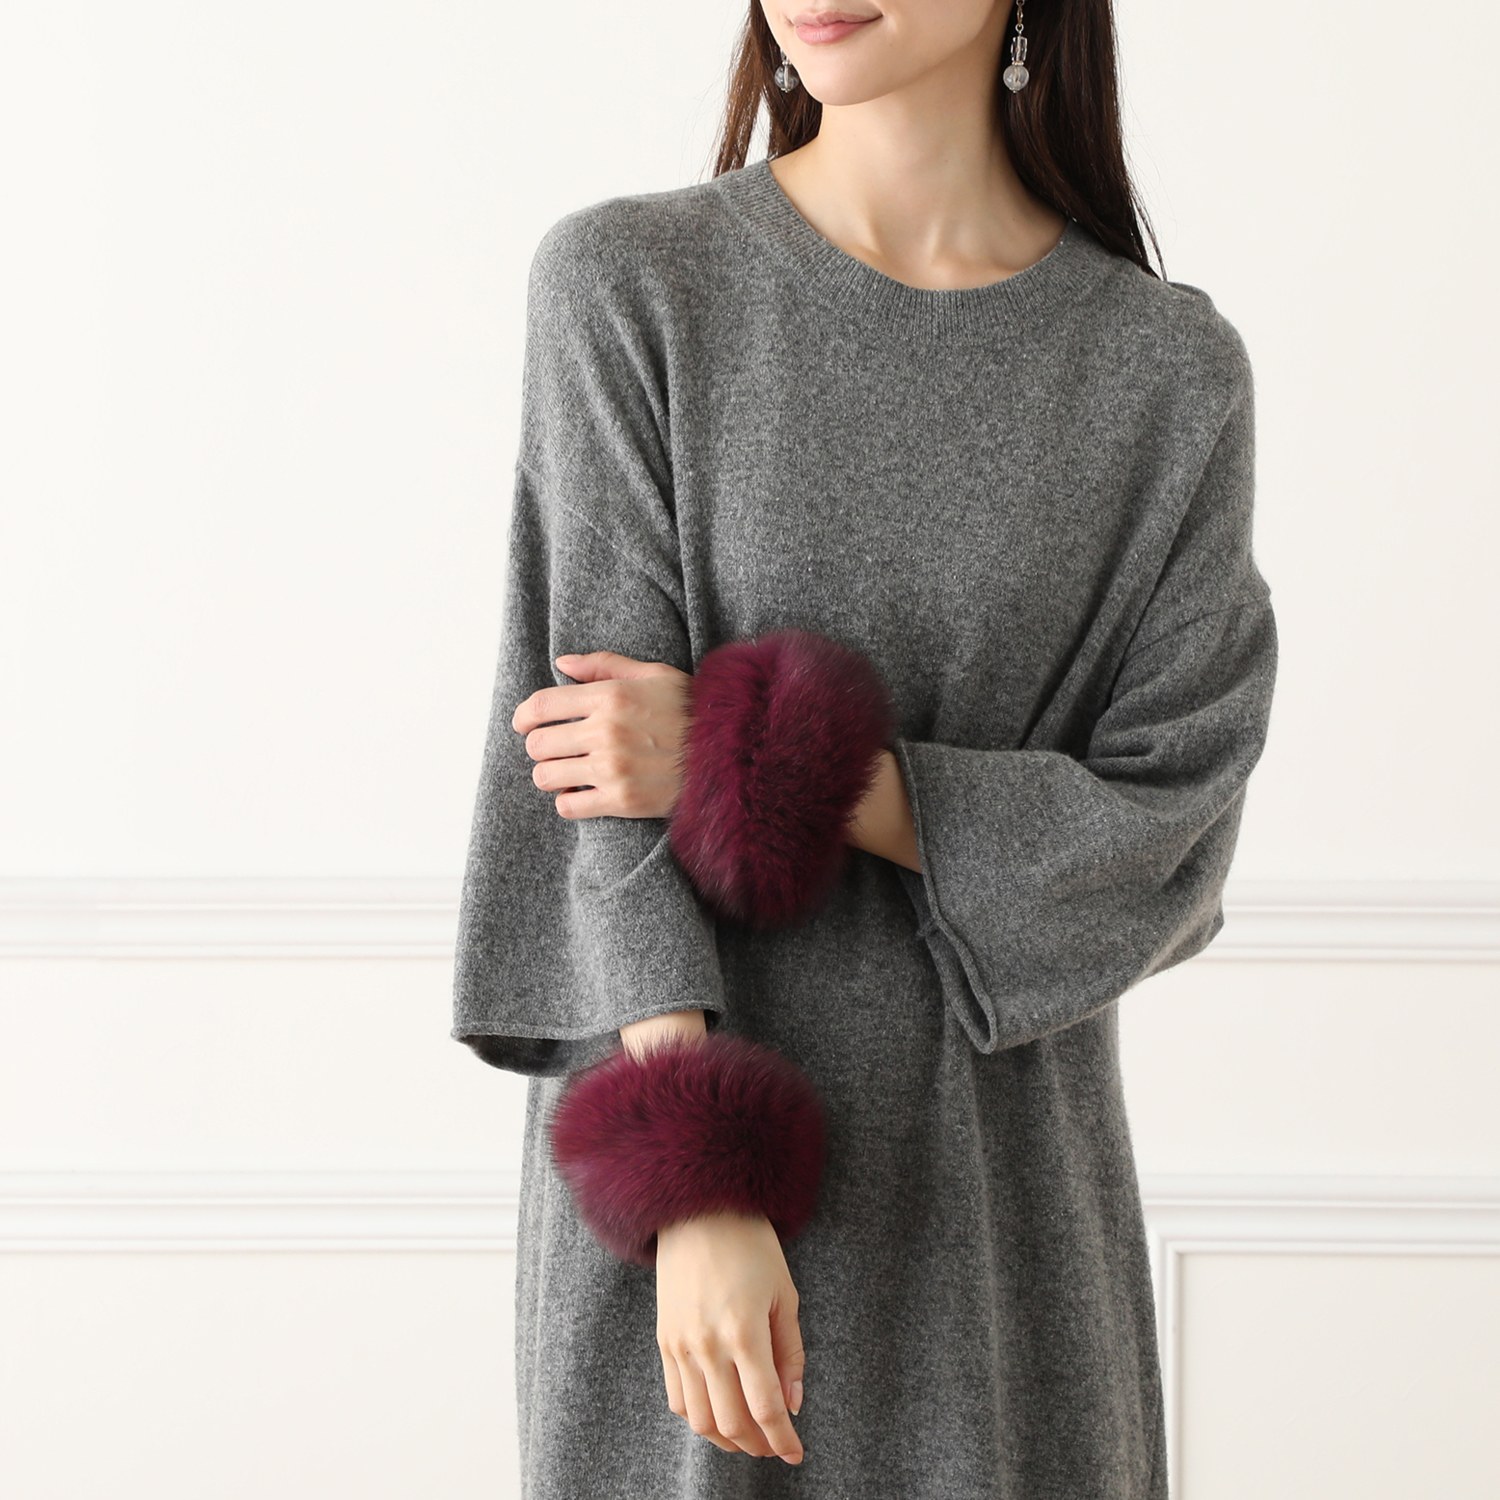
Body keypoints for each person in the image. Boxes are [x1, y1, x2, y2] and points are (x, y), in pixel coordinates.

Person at [451, 1, 1279, 1495]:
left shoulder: (1166, 374)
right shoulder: (631, 285)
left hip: (1006, 1211)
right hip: (694, 1210)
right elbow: (586, 776)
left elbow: (1170, 829)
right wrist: (698, 1184)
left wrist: (769, 761)